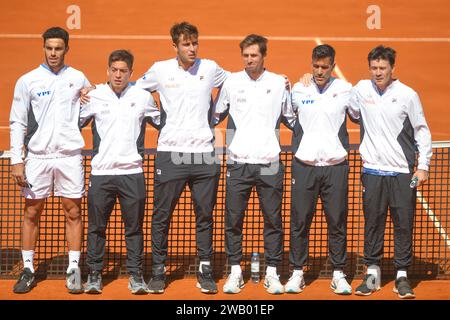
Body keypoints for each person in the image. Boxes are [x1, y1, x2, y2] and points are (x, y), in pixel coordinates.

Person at [134, 21, 229, 294]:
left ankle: (205, 271)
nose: (192, 48)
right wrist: (155, 115)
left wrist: (282, 79)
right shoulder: (159, 70)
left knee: (205, 216)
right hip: (170, 154)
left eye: (194, 43)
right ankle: (158, 272)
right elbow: (135, 89)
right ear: (174, 45)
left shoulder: (210, 68)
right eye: (186, 44)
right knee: (162, 216)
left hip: (204, 155)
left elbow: (238, 82)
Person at [9, 27, 90, 294]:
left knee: (74, 212)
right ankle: (28, 269)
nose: (53, 53)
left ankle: (73, 269)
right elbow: (18, 121)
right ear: (43, 48)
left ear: (67, 48)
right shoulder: (28, 80)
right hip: (38, 157)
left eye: (58, 48)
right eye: (49, 48)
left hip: (69, 156)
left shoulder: (78, 78)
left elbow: (92, 106)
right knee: (32, 212)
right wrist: (16, 159)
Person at [214, 34, 296, 295]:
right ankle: (235, 271)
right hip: (238, 164)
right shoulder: (231, 82)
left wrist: (295, 89)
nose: (249, 60)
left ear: (263, 56)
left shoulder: (279, 83)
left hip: (270, 163)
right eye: (246, 55)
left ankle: (272, 272)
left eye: (254, 55)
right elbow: (216, 113)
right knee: (233, 220)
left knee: (273, 220)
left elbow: (291, 118)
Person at [349, 45, 432, 299]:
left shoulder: (408, 95)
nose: (377, 72)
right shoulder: (361, 89)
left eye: (382, 68)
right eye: (373, 68)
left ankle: (402, 276)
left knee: (403, 224)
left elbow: (422, 131)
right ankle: (372, 275)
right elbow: (351, 111)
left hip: (401, 173)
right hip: (372, 171)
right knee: (373, 223)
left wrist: (423, 166)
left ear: (392, 69)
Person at [79, 50, 160, 295]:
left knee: (134, 228)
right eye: (114, 70)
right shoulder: (94, 96)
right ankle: (94, 275)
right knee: (96, 227)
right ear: (107, 70)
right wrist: (79, 94)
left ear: (131, 74)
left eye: (123, 71)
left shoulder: (143, 97)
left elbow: (164, 122)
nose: (117, 75)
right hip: (101, 173)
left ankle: (135, 275)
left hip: (132, 173)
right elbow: (74, 123)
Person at [285, 44, 356, 295]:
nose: (319, 71)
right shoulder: (299, 88)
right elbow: (287, 116)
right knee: (299, 221)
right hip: (304, 166)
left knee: (337, 221)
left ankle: (338, 273)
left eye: (324, 67)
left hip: (336, 167)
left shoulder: (346, 90)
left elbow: (359, 115)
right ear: (311, 64)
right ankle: (296, 272)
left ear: (332, 66)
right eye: (315, 66)